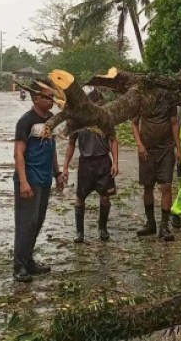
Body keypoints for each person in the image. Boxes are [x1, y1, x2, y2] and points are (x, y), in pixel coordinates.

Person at [60, 89, 119, 244]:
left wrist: (116, 162)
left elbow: (113, 140)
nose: (100, 109)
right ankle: (79, 232)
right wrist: (65, 167)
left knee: (105, 197)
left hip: (103, 162)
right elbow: (71, 144)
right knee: (80, 197)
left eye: (102, 105)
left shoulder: (106, 119)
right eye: (97, 105)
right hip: (86, 163)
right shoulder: (77, 120)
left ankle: (102, 228)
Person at [12, 86, 57, 282]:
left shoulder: (51, 119)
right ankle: (19, 265)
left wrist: (58, 173)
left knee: (37, 222)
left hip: (45, 179)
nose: (51, 101)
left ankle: (28, 259)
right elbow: (18, 153)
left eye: (53, 97)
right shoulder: (26, 121)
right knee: (25, 223)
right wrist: (23, 182)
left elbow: (52, 147)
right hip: (30, 178)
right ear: (36, 98)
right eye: (48, 97)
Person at [131, 103, 181, 241]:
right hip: (147, 150)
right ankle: (150, 222)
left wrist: (178, 148)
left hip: (166, 148)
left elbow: (174, 123)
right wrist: (139, 144)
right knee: (148, 186)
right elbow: (134, 123)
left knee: (166, 185)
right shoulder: (142, 99)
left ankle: (164, 226)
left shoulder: (168, 99)